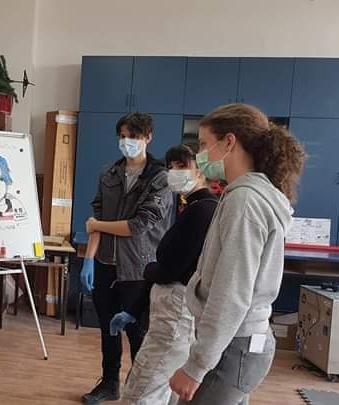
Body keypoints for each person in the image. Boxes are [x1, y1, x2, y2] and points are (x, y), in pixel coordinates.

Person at [169, 103, 305, 404]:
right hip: (239, 343)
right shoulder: (248, 195)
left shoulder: (244, 201)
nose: (200, 154)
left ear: (229, 142)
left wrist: (196, 366)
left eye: (203, 144)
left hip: (233, 346)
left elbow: (231, 293)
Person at [108, 144, 219, 405]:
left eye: (182, 166)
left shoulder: (204, 210)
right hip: (167, 314)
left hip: (175, 316)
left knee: (141, 391)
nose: (174, 172)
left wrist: (148, 269)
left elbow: (169, 269)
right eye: (171, 167)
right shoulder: (191, 207)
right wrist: (135, 309)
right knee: (159, 390)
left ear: (201, 170)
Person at [80, 112, 173, 404]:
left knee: (137, 332)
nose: (126, 141)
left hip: (139, 268)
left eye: (133, 136)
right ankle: (110, 383)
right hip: (105, 264)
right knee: (108, 329)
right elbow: (96, 219)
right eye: (122, 136)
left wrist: (96, 225)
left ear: (148, 137)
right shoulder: (109, 173)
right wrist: (89, 259)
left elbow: (138, 226)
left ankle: (140, 389)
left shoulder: (160, 178)